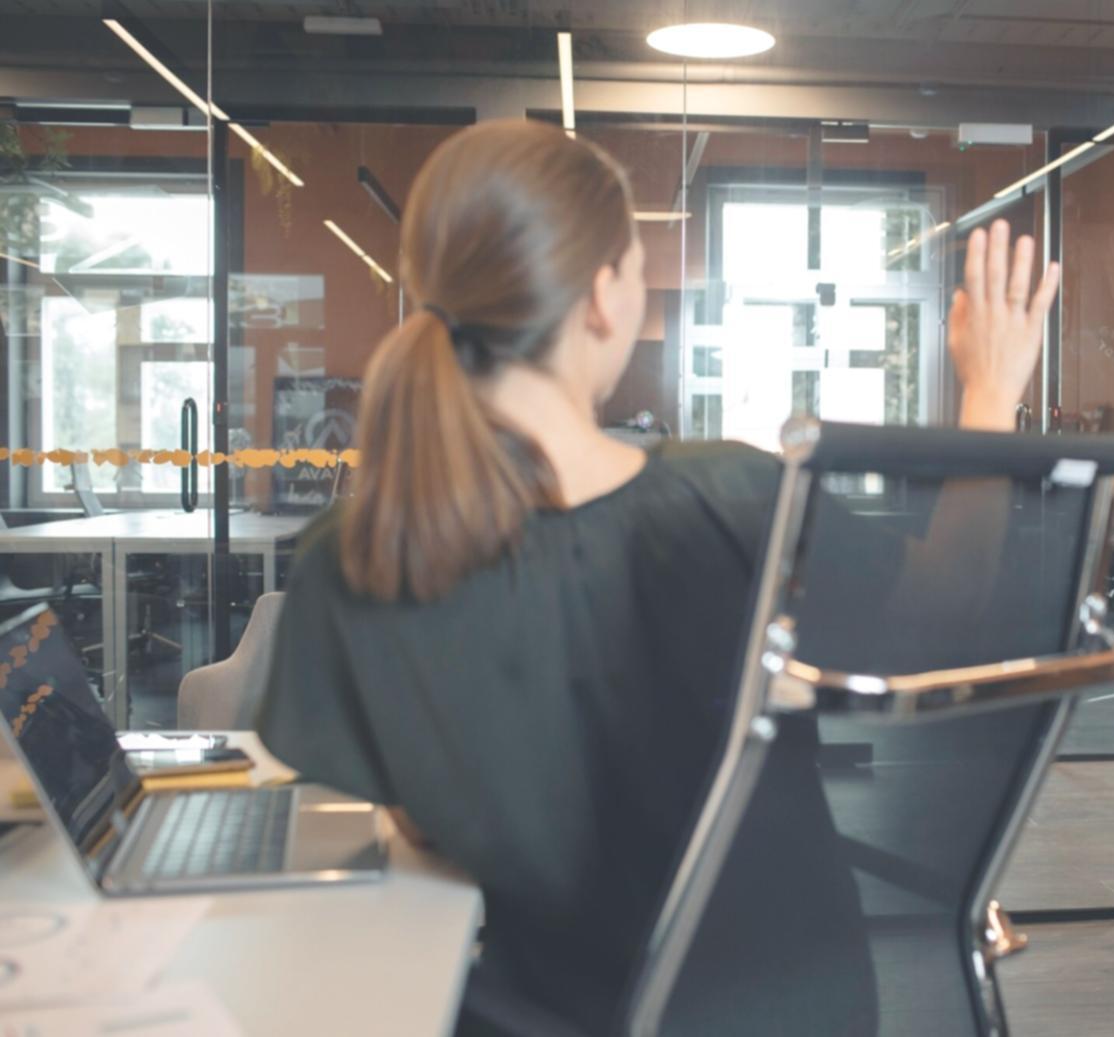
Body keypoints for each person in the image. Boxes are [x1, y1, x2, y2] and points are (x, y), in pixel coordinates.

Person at [256, 117, 1058, 1035]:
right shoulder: (737, 500)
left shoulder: (351, 557)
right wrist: (990, 395)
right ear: (602, 298)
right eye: (638, 268)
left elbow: (404, 825)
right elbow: (951, 609)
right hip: (800, 1009)